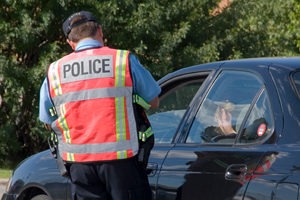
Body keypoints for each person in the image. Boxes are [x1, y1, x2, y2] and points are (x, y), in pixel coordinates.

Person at [38, 11, 161, 200]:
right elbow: (154, 100)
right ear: (100, 31)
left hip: (79, 165)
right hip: (122, 162)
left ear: (70, 42)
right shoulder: (122, 60)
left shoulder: (54, 71)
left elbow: (47, 120)